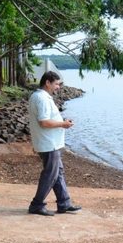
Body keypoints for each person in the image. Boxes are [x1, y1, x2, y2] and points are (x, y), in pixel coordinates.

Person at [28, 71, 82, 216]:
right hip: (48, 143)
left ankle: (64, 203)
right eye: (57, 84)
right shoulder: (42, 98)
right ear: (47, 82)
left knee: (58, 173)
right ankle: (36, 205)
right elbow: (44, 122)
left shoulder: (41, 96)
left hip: (50, 143)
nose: (58, 87)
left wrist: (62, 123)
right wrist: (62, 124)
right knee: (50, 174)